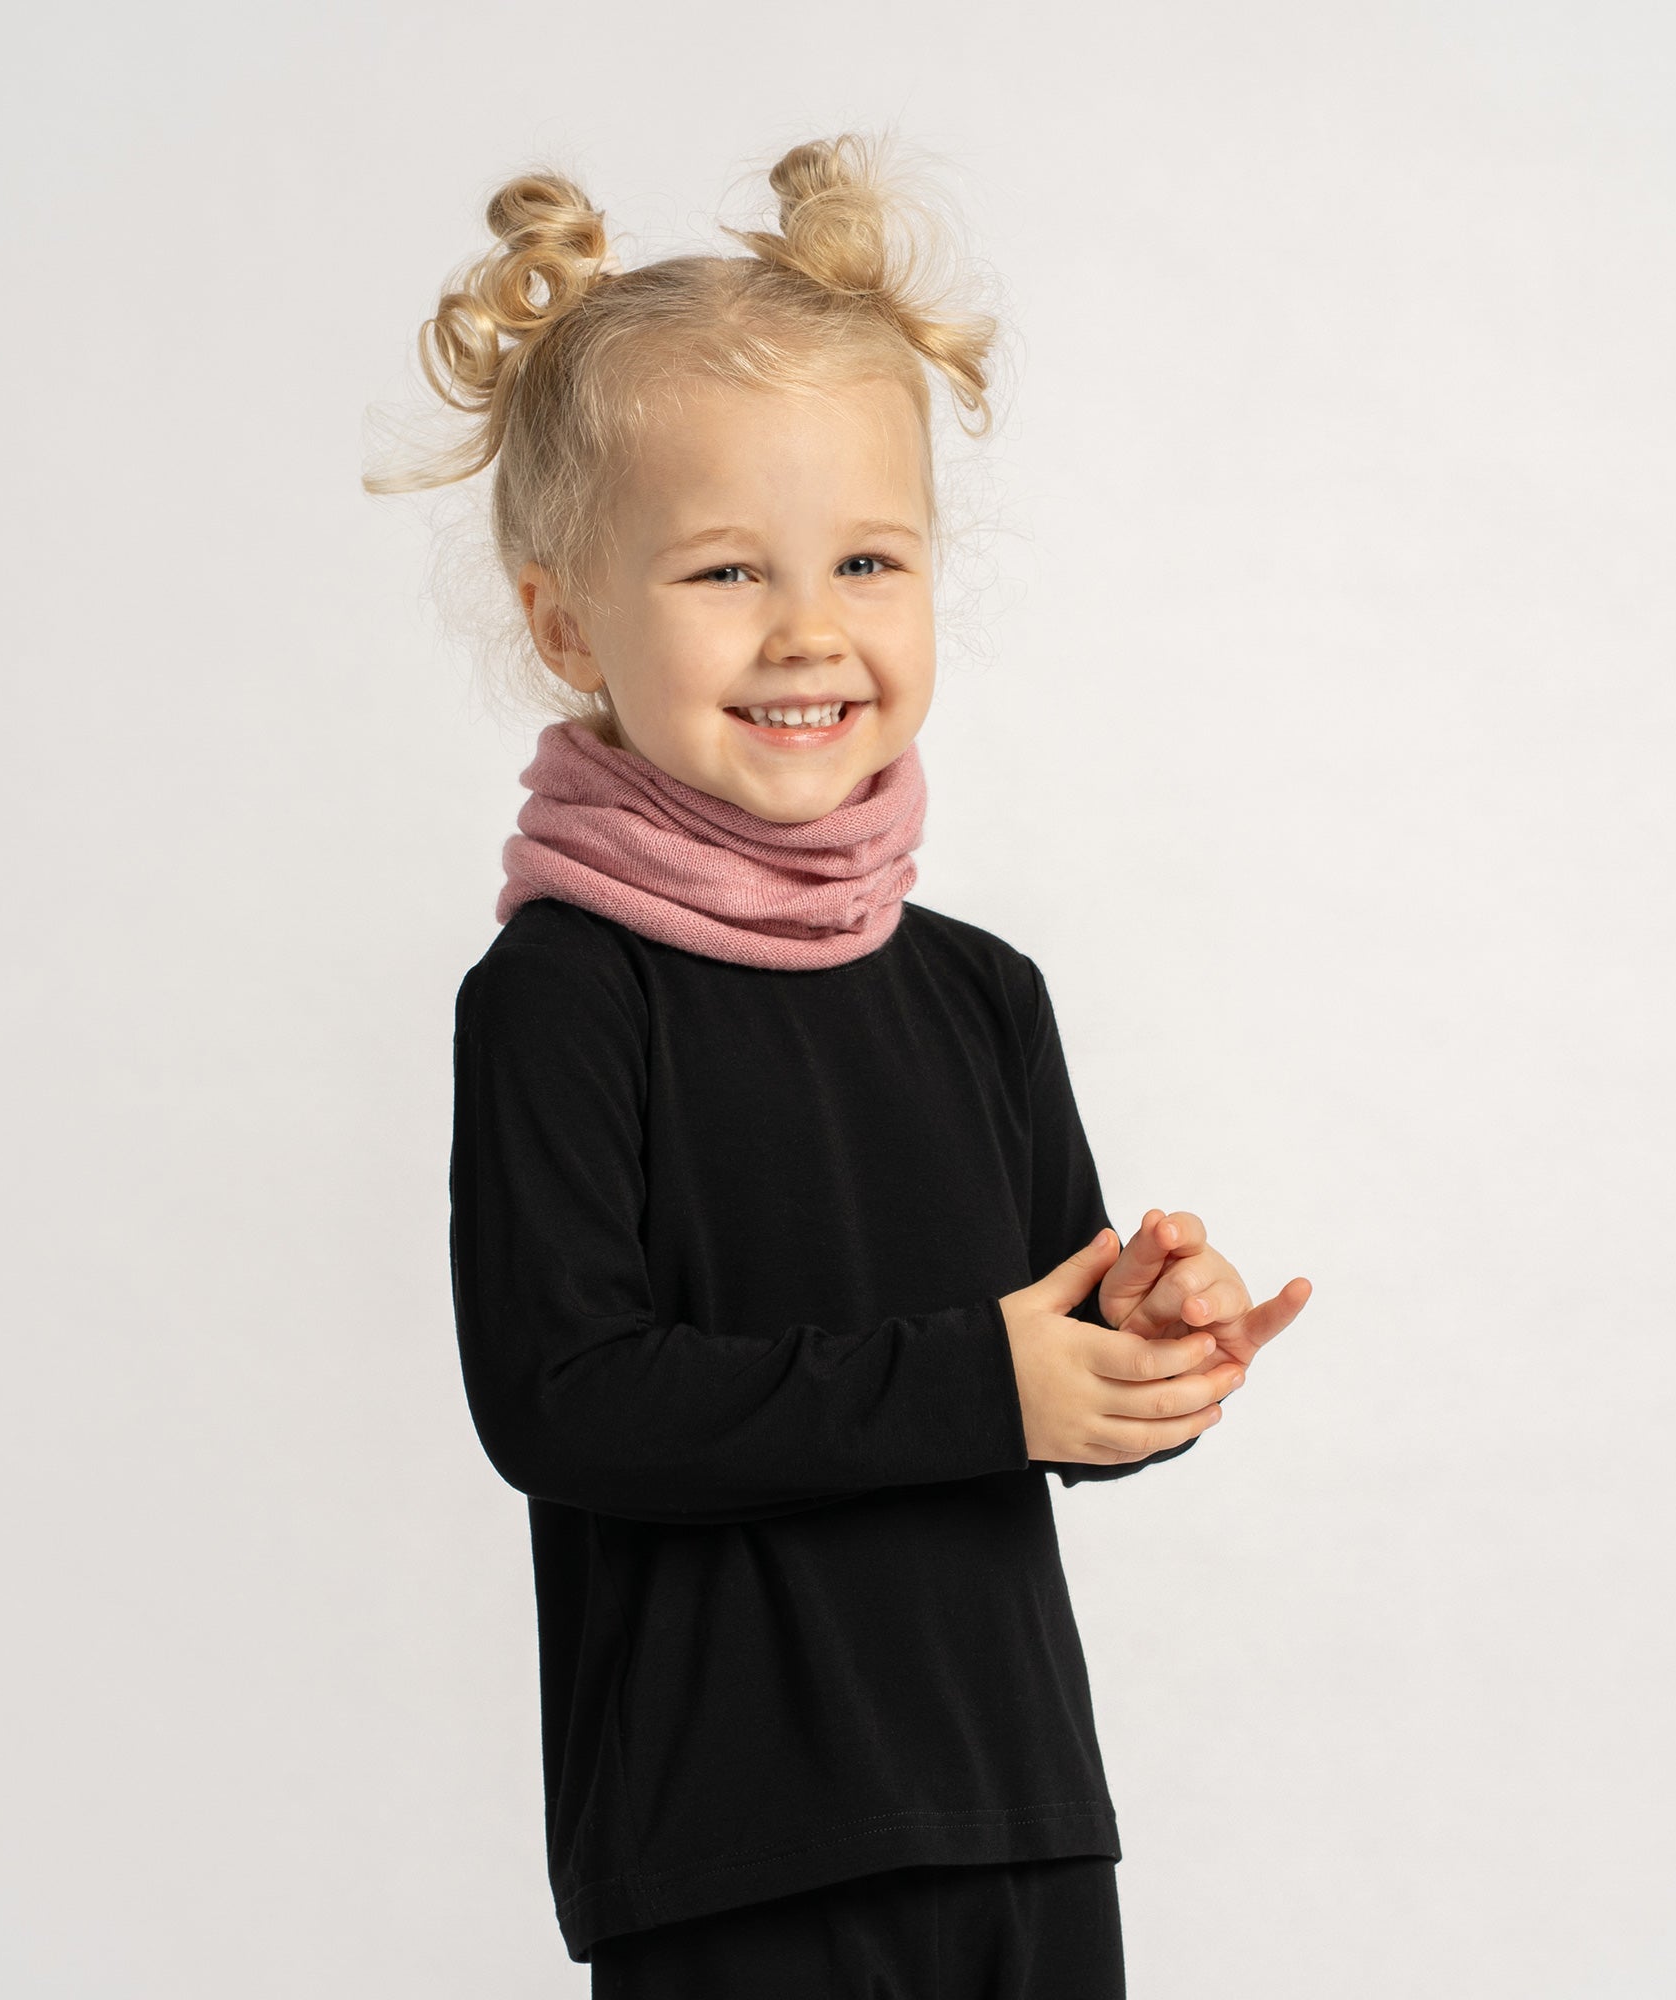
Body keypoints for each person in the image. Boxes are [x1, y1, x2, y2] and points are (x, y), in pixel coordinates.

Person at [368, 131, 1312, 1998]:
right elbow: (565, 1400)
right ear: (567, 619)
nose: (811, 629)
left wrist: (1138, 1338)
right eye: (726, 569)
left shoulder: (980, 993)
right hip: (737, 1860)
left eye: (868, 558)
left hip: (1020, 1813)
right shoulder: (566, 998)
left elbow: (1041, 1385)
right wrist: (985, 1380)